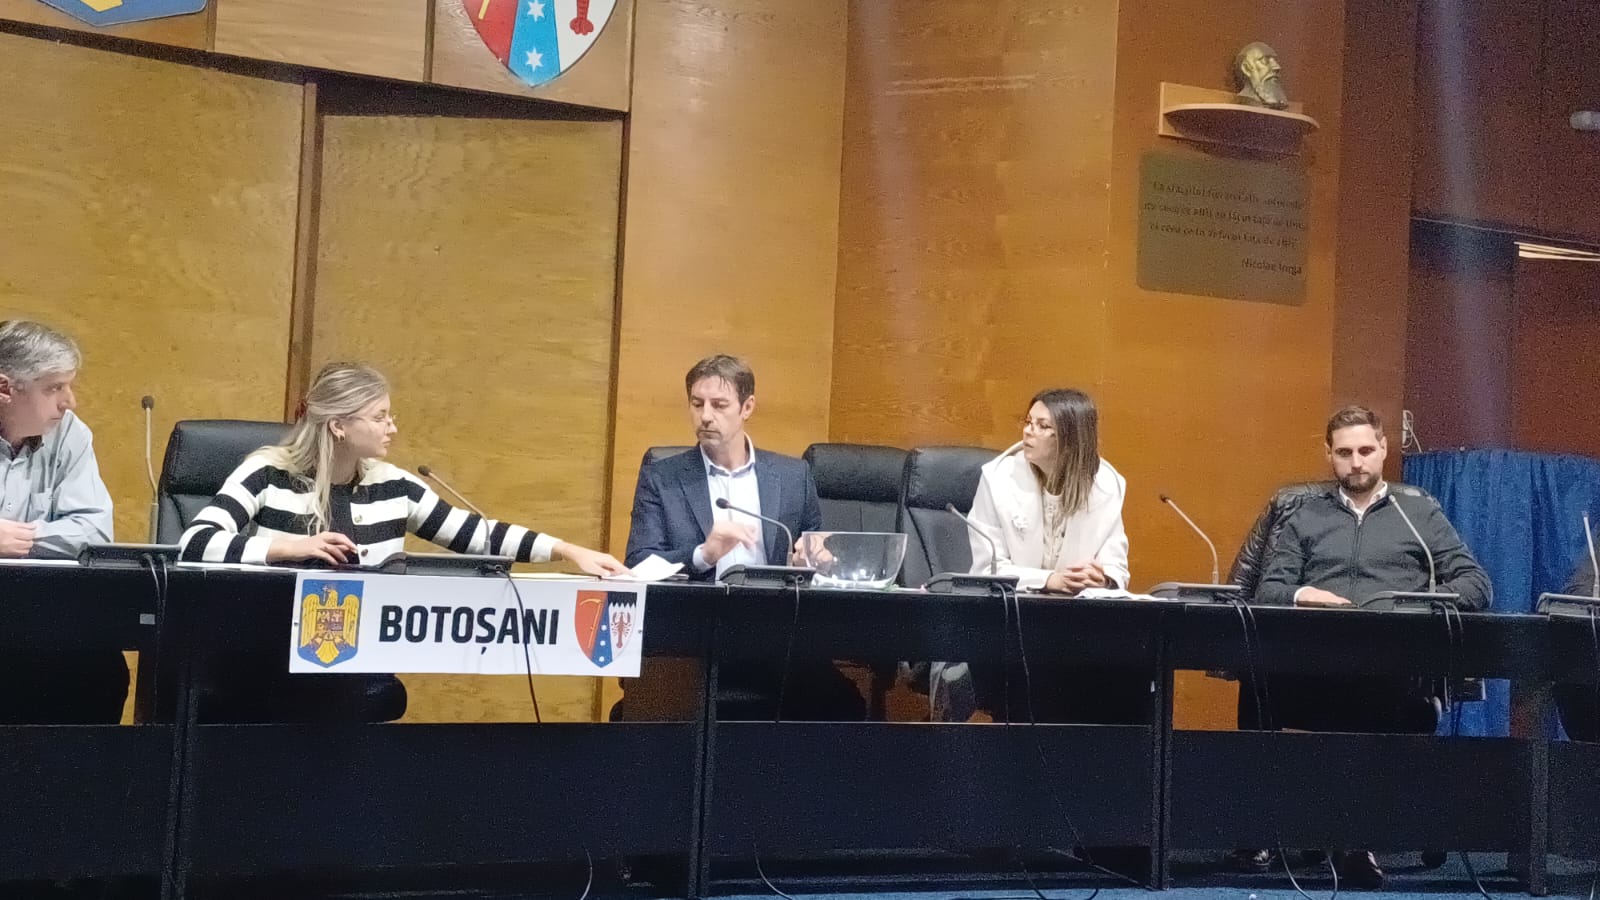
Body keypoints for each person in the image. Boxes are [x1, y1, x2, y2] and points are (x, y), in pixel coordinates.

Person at [178, 361, 626, 721]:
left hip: (353, 667)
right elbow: (196, 542)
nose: (391, 427)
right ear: (338, 425)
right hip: (268, 654)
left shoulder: (393, 485)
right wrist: (288, 549)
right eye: (379, 418)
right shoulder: (268, 472)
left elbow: (477, 535)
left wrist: (568, 550)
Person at [1250, 404, 1492, 888]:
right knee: (1302, 688)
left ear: (1383, 449)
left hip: (1393, 662)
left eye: (1365, 450)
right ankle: (1345, 837)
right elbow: (1267, 590)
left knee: (1373, 691)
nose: (1356, 462)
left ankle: (1349, 837)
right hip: (1317, 661)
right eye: (1344, 453)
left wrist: (1414, 605)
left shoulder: (1418, 512)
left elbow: (1475, 585)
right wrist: (1304, 594)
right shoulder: (1305, 515)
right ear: (1329, 454)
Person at [622, 354, 864, 721]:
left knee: (846, 704)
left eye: (719, 405)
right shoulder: (663, 478)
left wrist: (813, 559)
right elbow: (638, 562)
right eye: (697, 404)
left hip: (778, 636)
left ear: (747, 407)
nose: (705, 416)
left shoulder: (792, 476)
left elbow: (815, 550)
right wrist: (704, 553)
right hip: (696, 638)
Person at [0, 319, 124, 725]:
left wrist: (22, 538)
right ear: (5, 388)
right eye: (54, 388)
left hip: (33, 606)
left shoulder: (70, 434)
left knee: (102, 668)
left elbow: (94, 530)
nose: (69, 401)